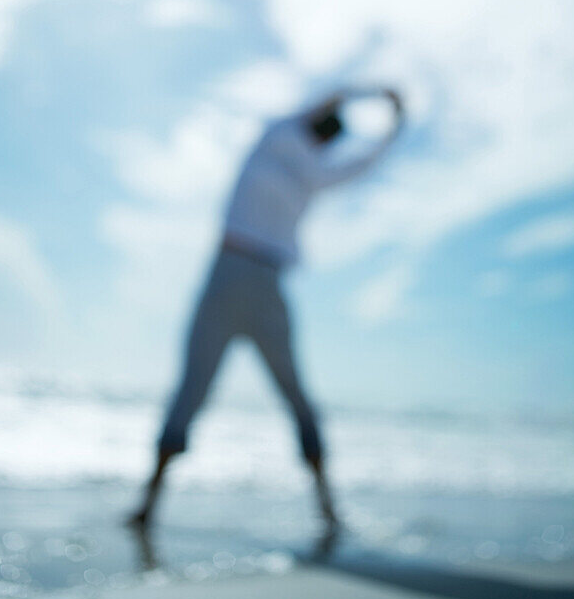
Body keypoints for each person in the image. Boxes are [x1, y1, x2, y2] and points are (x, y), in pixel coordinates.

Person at [130, 86, 405, 534]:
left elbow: (334, 109)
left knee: (194, 390)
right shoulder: (312, 167)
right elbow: (364, 162)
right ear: (330, 139)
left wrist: (371, 93)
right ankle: (327, 508)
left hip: (229, 274)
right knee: (292, 395)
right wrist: (394, 126)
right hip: (265, 283)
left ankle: (148, 506)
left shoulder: (277, 139)